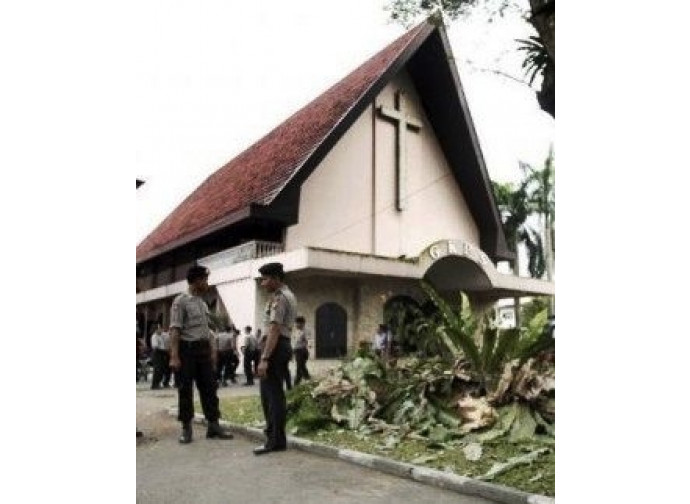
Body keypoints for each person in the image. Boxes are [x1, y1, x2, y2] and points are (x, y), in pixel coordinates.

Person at [169, 265, 234, 444]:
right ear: (196, 280)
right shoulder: (180, 301)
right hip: (187, 350)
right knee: (185, 390)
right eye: (205, 280)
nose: (207, 283)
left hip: (203, 350)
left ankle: (213, 425)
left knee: (210, 388)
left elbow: (208, 331)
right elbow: (175, 329)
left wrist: (212, 352)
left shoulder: (202, 302)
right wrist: (174, 356)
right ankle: (186, 428)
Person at [254, 262, 296, 455]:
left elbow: (274, 329)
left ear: (277, 278)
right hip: (278, 346)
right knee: (272, 395)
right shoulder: (285, 295)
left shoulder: (280, 298)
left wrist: (265, 358)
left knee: (272, 397)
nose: (263, 283)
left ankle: (275, 440)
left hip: (276, 347)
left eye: (266, 279)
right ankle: (275, 438)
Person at [150, 324, 172, 389]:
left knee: (165, 369)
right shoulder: (154, 336)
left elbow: (168, 335)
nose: (161, 330)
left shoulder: (162, 335)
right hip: (157, 353)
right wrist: (165, 350)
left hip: (164, 353)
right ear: (156, 329)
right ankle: (155, 384)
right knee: (158, 369)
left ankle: (165, 383)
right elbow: (155, 346)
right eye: (159, 328)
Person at [293, 316, 311, 386]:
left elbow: (309, 339)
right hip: (297, 351)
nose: (296, 325)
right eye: (296, 323)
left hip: (302, 351)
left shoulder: (306, 331)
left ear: (302, 323)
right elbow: (295, 341)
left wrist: (309, 345)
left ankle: (296, 384)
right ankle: (308, 379)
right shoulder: (296, 331)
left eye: (298, 323)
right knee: (302, 367)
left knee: (299, 367)